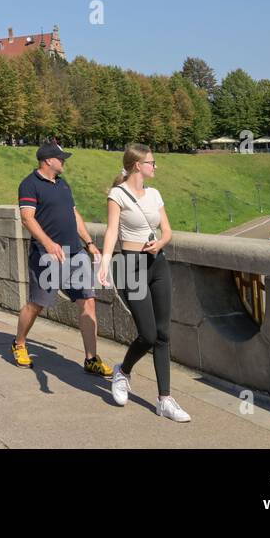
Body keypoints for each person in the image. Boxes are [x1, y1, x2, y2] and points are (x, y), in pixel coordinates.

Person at [97, 143, 190, 422]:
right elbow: (112, 231)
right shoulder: (118, 194)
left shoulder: (155, 194)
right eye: (151, 162)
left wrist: (160, 242)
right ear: (138, 165)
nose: (155, 166)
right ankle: (123, 372)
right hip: (130, 265)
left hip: (157, 264)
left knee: (163, 334)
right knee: (148, 334)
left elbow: (167, 229)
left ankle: (164, 399)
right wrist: (104, 262)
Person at [11, 141, 113, 378]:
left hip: (75, 253)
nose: (64, 161)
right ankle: (19, 343)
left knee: (88, 301)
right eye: (60, 158)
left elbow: (74, 214)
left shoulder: (63, 185)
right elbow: (27, 219)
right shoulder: (29, 185)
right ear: (48, 160)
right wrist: (48, 243)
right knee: (37, 304)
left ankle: (91, 358)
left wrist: (89, 243)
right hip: (47, 256)